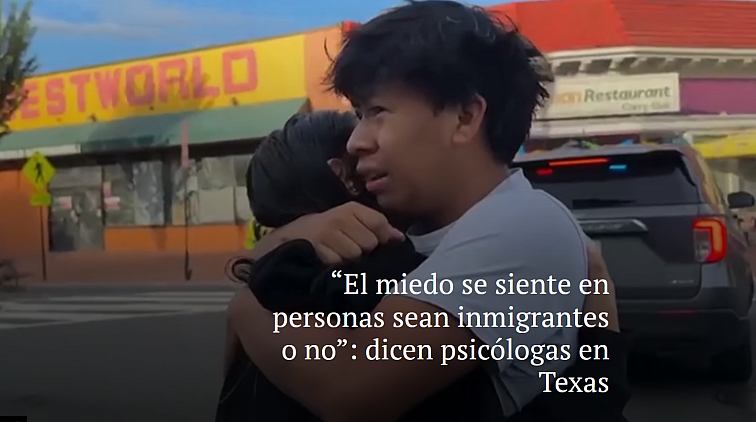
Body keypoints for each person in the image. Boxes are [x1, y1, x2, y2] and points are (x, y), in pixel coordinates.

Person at [226, 2, 614, 421]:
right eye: (359, 115)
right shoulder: (416, 230)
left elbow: (349, 388)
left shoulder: (521, 223)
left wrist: (246, 305)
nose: (356, 141)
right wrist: (296, 236)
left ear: (464, 117)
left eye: (377, 112)